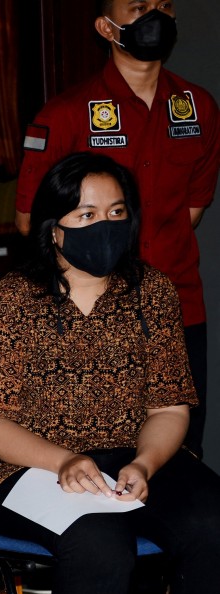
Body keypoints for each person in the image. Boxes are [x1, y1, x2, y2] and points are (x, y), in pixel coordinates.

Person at [0, 153, 220, 594]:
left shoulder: (152, 292)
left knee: (212, 521)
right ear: (54, 229)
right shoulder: (13, 300)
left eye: (115, 213)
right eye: (86, 216)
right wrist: (64, 460)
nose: (104, 227)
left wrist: (148, 463)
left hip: (132, 456)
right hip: (30, 466)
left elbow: (169, 405)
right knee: (102, 546)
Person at [14, 0, 220, 457]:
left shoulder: (198, 107)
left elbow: (192, 210)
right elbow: (31, 220)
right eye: (139, 7)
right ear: (107, 27)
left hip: (179, 307)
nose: (155, 16)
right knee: (97, 452)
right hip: (90, 317)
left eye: (164, 5)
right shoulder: (66, 113)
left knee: (181, 453)